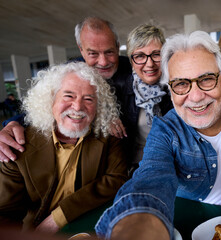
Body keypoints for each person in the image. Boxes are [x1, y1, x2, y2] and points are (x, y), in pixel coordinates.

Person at [94, 31, 221, 240]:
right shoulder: (165, 129)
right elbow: (151, 178)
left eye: (207, 79)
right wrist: (137, 225)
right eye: (181, 84)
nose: (196, 96)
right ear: (170, 90)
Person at [0, 62, 128, 234]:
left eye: (88, 99)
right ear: (51, 99)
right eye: (68, 96)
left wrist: (58, 217)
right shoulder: (18, 143)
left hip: (91, 226)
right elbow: (5, 212)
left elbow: (117, 179)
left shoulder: (108, 136)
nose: (77, 107)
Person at [0, 16, 132, 162]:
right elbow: (42, 106)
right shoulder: (70, 73)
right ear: (81, 49)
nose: (103, 62)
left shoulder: (134, 71)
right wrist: (13, 123)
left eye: (109, 52)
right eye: (93, 53)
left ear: (118, 46)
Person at [116, 23, 173, 167]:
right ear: (131, 61)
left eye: (156, 54)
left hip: (172, 161)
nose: (149, 64)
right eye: (140, 56)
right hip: (136, 165)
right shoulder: (119, 90)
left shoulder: (177, 85)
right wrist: (107, 117)